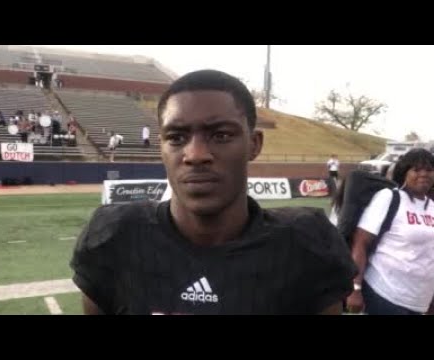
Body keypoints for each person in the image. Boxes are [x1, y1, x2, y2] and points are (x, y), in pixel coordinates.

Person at [70, 69, 357, 315]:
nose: (196, 154)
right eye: (176, 137)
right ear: (161, 147)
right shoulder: (117, 237)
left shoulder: (305, 246)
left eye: (221, 135)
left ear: (254, 144)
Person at [346, 148, 434, 315]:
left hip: (420, 300)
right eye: (416, 169)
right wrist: (355, 288)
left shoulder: (432, 207)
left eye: (429, 170)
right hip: (385, 294)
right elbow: (361, 242)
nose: (424, 174)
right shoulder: (389, 198)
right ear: (404, 173)